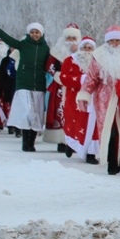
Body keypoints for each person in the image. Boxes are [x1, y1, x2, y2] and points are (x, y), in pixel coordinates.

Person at [77, 25, 120, 175]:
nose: (115, 44)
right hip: (104, 98)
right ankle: (112, 162)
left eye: (118, 41)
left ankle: (118, 154)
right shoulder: (98, 56)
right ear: (107, 41)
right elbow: (91, 78)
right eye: (112, 40)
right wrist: (85, 94)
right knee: (109, 129)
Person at [0, 14, 52, 151]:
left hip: (39, 85)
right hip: (23, 83)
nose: (35, 35)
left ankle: (31, 143)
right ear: (29, 34)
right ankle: (25, 140)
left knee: (36, 115)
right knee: (27, 113)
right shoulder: (23, 45)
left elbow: (51, 62)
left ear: (41, 34)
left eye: (37, 32)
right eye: (32, 32)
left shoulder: (45, 49)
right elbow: (7, 38)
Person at [60, 36, 98, 163]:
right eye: (84, 47)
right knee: (75, 124)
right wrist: (82, 79)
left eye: (90, 48)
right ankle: (72, 145)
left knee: (92, 126)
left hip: (93, 100)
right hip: (75, 99)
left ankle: (91, 153)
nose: (87, 51)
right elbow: (64, 77)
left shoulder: (98, 61)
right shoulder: (70, 61)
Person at [45, 23, 82, 151]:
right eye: (68, 38)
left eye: (73, 38)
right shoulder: (56, 52)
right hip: (59, 86)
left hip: (76, 87)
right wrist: (57, 75)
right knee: (59, 112)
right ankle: (60, 140)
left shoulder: (82, 53)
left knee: (74, 112)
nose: (70, 41)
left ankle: (74, 140)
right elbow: (50, 66)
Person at [0, 35, 17, 134]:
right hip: (5, 86)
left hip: (17, 86)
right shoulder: (4, 60)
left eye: (0, 39)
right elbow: (1, 75)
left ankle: (13, 126)